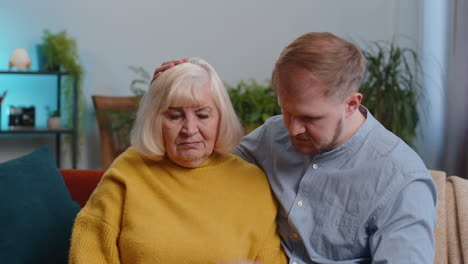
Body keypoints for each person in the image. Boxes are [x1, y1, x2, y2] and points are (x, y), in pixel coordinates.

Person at [155, 32, 438, 263]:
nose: (292, 129)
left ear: (351, 104)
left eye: (310, 118)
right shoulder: (272, 136)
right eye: (287, 111)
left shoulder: (402, 180)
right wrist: (169, 98)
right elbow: (205, 169)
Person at [69, 58, 287, 264]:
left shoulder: (252, 182)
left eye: (202, 115)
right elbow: (90, 251)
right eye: (175, 116)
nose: (189, 130)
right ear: (155, 120)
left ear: (221, 118)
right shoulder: (128, 170)